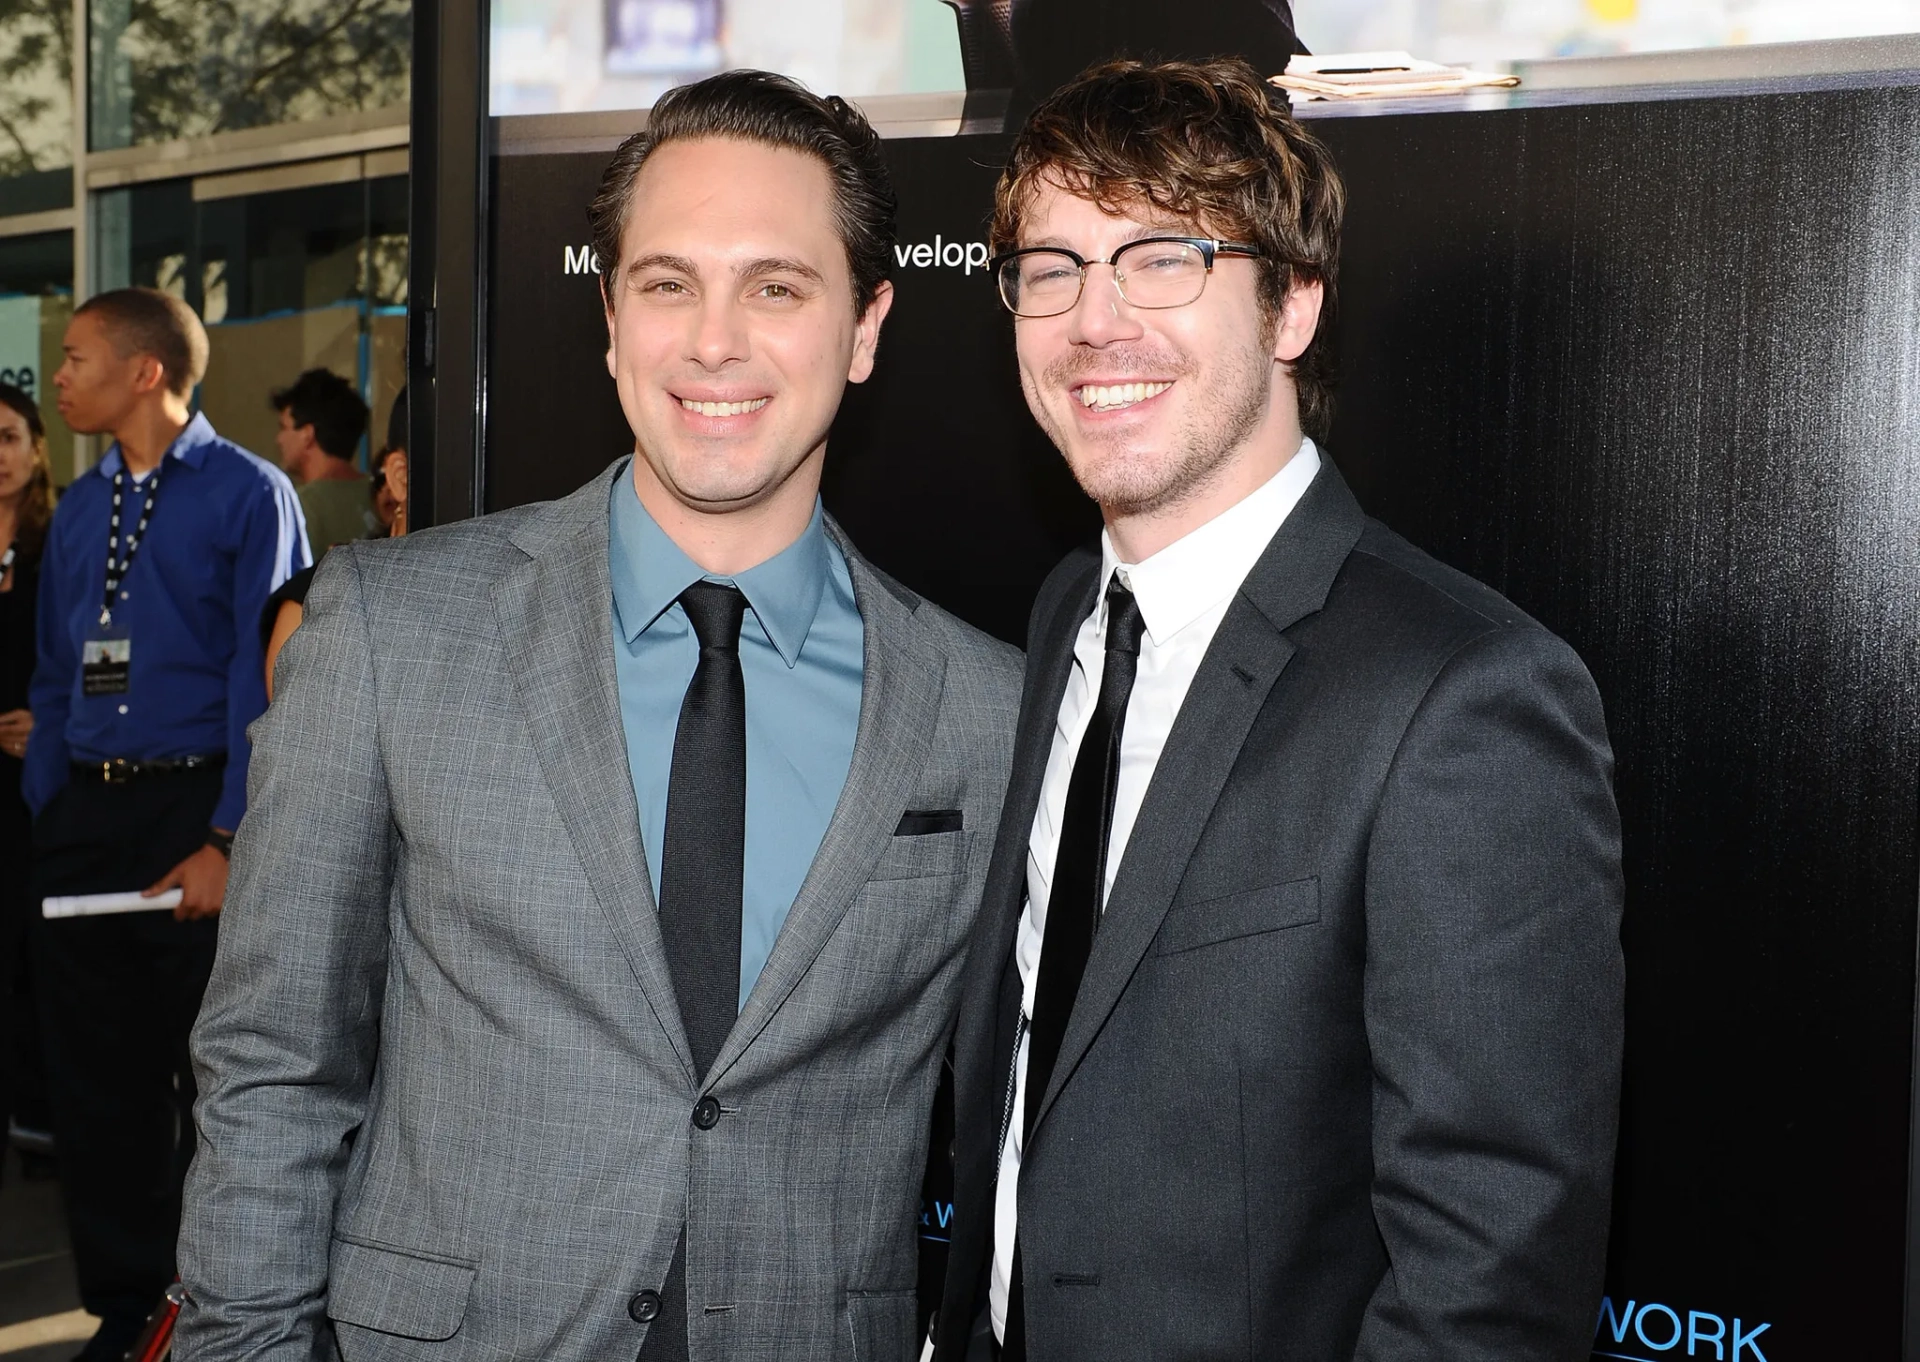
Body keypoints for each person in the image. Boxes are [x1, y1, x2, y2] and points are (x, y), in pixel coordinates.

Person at [177, 70, 1022, 1362]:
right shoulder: (391, 631)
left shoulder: (983, 703)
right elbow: (273, 1066)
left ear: (865, 327)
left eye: (777, 287)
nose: (713, 340)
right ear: (614, 319)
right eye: (668, 283)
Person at [932, 59, 1624, 1362]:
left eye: (1161, 260)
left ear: (1293, 302)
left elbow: (1490, 1272)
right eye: (1053, 267)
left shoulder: (1464, 697)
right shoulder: (1066, 615)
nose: (1093, 321)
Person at [21, 287, 308, 1360]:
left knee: (215, 1080)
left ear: (145, 372)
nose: (60, 375)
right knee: (96, 1084)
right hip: (86, 814)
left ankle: (218, 1308)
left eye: (77, 356)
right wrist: (48, 787)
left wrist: (229, 839)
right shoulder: (81, 509)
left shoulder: (248, 493)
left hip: (198, 809)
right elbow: (57, 666)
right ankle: (124, 1308)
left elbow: (264, 675)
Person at [0, 381, 55, 1168]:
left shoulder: (68, 535)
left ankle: (42, 1122)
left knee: (37, 954)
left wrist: (53, 726)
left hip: (43, 779)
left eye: (9, 437)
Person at [272, 367, 375, 555]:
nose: (278, 439)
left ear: (307, 434)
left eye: (283, 427)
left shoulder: (298, 506)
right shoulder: (383, 496)